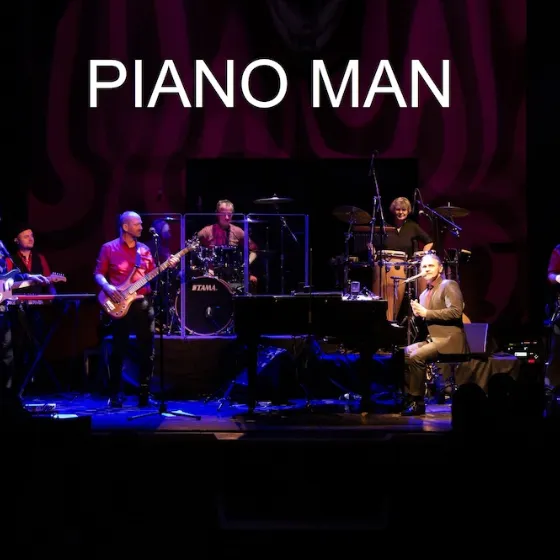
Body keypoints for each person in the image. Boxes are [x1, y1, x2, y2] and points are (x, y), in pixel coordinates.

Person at [94, 211, 179, 408]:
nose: (142, 227)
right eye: (137, 224)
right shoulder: (108, 248)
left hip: (143, 303)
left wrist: (168, 266)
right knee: (118, 349)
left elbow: (151, 274)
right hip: (119, 303)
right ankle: (115, 392)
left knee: (147, 349)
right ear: (125, 227)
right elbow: (98, 273)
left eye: (141, 224)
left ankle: (144, 393)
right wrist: (108, 287)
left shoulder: (145, 250)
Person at [401, 253, 468, 416]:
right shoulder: (424, 294)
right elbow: (426, 323)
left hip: (450, 339)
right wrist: (418, 315)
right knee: (405, 353)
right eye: (424, 266)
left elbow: (456, 312)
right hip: (433, 339)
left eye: (431, 266)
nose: (427, 269)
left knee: (416, 356)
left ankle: (417, 402)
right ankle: (408, 397)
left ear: (440, 268)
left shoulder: (449, 285)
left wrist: (426, 313)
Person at [0, 240, 51, 410]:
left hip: (2, 311)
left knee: (8, 358)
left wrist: (28, 277)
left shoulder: (1, 248)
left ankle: (8, 400)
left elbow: (10, 275)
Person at [197, 199, 258, 286]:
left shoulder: (238, 231)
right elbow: (193, 248)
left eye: (229, 214)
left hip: (234, 274)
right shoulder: (206, 231)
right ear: (217, 214)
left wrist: (246, 264)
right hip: (212, 273)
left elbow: (254, 250)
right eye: (223, 214)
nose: (227, 217)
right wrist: (206, 267)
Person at [546, 244, 560, 394]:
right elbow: (550, 276)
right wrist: (558, 277)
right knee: (557, 352)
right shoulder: (559, 250)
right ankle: (551, 388)